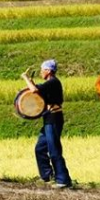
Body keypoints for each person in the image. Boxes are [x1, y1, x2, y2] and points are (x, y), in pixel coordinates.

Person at [23, 59, 72, 188]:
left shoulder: (53, 82)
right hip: (49, 118)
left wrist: (25, 78)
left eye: (42, 70)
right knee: (40, 148)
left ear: (48, 71)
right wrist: (30, 81)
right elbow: (38, 91)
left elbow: (33, 90)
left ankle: (63, 180)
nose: (40, 72)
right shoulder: (49, 83)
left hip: (54, 118)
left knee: (54, 149)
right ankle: (48, 176)